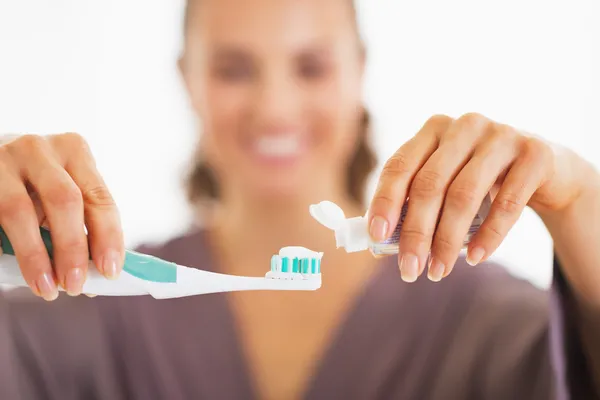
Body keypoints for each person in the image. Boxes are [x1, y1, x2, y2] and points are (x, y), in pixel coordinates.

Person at [0, 0, 598, 398]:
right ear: (188, 78)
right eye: (235, 69)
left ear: (359, 71)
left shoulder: (490, 324)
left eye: (311, 67)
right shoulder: (79, 309)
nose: (275, 107)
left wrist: (578, 201)